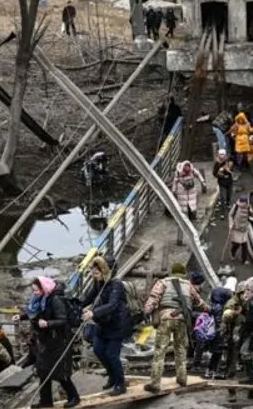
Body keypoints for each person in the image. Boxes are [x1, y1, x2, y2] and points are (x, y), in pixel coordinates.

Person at [13, 278, 80, 408]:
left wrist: (48, 323)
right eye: (33, 290)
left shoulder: (55, 300)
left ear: (44, 289)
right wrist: (21, 316)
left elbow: (63, 319)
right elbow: (35, 313)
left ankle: (74, 396)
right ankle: (46, 401)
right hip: (46, 340)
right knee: (43, 371)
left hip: (59, 340)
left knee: (59, 371)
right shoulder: (40, 299)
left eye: (36, 290)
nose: (34, 293)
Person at [143, 262, 209, 392]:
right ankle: (182, 377)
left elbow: (154, 298)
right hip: (182, 319)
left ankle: (155, 383)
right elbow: (199, 302)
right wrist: (209, 309)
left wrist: (147, 311)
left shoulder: (162, 282)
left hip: (166, 318)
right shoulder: (188, 285)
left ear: (171, 272)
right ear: (183, 273)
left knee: (160, 351)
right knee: (180, 349)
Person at [80, 257, 132, 396]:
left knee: (112, 354)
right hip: (103, 323)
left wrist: (93, 312)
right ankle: (112, 375)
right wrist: (75, 307)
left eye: (97, 273)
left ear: (105, 271)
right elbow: (88, 298)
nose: (94, 276)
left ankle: (120, 384)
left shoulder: (116, 285)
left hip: (117, 325)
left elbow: (112, 305)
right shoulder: (98, 283)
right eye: (93, 273)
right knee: (98, 350)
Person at [172, 160, 207, 244]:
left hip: (192, 199)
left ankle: (195, 238)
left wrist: (202, 182)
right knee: (182, 220)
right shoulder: (178, 174)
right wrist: (174, 191)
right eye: (186, 168)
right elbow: (174, 183)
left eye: (188, 167)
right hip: (182, 200)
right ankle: (179, 240)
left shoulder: (192, 171)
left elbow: (198, 174)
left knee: (193, 219)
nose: (187, 169)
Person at [228, 196, 253, 264]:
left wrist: (250, 211)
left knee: (244, 245)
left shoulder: (248, 207)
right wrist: (231, 223)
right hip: (236, 228)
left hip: (244, 229)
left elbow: (250, 214)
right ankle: (232, 253)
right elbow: (230, 215)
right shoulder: (236, 206)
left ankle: (244, 260)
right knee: (237, 244)